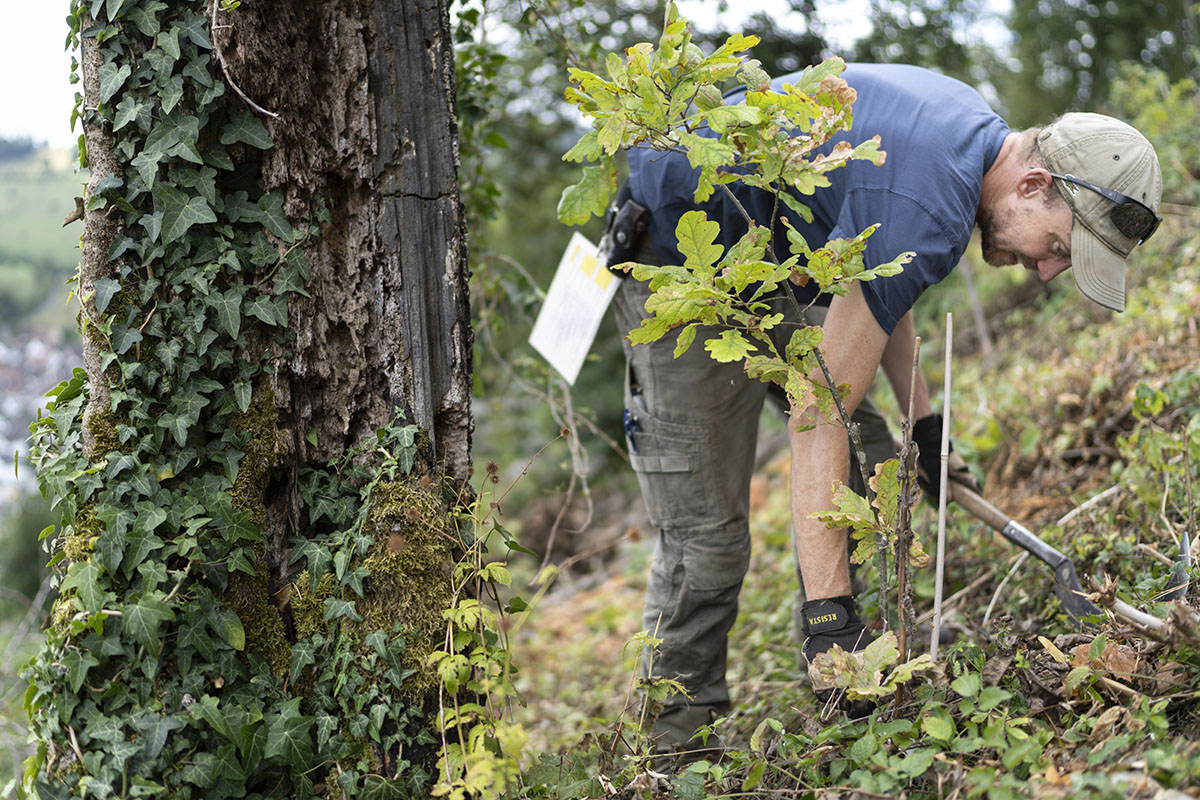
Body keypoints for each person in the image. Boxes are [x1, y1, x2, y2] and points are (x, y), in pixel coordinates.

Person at [606, 62, 1163, 759]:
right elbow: (817, 408)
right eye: (1057, 247)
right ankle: (673, 749)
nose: (1048, 271)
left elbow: (878, 284)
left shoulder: (968, 143)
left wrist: (923, 430)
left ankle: (864, 648)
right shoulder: (932, 202)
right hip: (678, 255)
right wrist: (827, 615)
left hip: (765, 255)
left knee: (878, 461)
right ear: (1033, 184)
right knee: (708, 541)